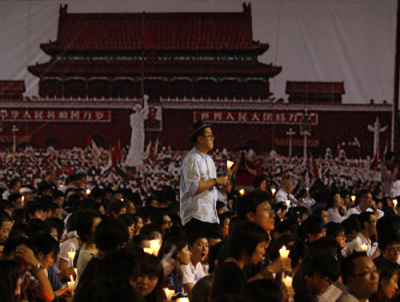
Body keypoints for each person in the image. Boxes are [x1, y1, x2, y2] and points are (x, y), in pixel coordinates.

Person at [180, 120, 230, 234]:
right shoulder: (192, 160)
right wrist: (216, 180)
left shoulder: (209, 159)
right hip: (196, 216)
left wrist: (221, 180)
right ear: (200, 139)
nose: (213, 138)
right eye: (209, 136)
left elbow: (209, 185)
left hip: (210, 215)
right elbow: (194, 188)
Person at [211, 220, 269, 299]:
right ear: (247, 246)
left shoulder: (232, 267)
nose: (263, 252)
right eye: (261, 247)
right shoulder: (233, 272)